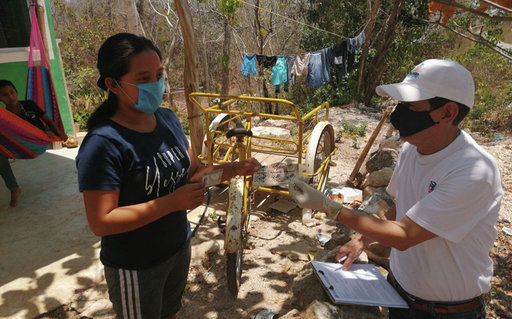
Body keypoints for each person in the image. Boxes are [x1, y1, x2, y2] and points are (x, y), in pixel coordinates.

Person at [289, 59, 503, 319]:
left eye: (410, 106)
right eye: (400, 104)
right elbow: (401, 207)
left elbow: (404, 235)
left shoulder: (473, 171)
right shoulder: (412, 150)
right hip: (398, 295)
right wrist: (362, 240)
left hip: (447, 312)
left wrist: (328, 205)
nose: (398, 114)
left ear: (447, 113)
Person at [76, 33, 259, 319]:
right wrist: (171, 203)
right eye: (143, 78)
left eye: (159, 75)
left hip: (177, 247)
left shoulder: (168, 120)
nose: (156, 85)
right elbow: (102, 221)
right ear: (112, 84)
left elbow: (194, 174)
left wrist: (233, 170)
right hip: (136, 265)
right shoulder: (104, 144)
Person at [0, 79, 77, 207]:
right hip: (20, 146)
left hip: (40, 142)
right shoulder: (5, 117)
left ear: (16, 92)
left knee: (45, 130)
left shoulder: (29, 105)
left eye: (12, 92)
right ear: (0, 99)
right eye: (4, 95)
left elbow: (48, 121)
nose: (10, 97)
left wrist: (60, 135)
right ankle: (14, 188)